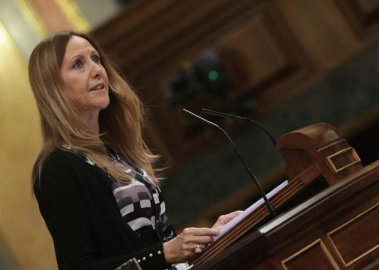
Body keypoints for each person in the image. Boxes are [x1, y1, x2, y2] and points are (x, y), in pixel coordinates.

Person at [29, 31, 241, 270]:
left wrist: (207, 238)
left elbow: (154, 245)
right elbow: (78, 266)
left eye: (96, 59)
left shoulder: (113, 151)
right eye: (78, 64)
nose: (97, 70)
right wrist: (165, 253)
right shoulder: (57, 167)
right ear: (52, 88)